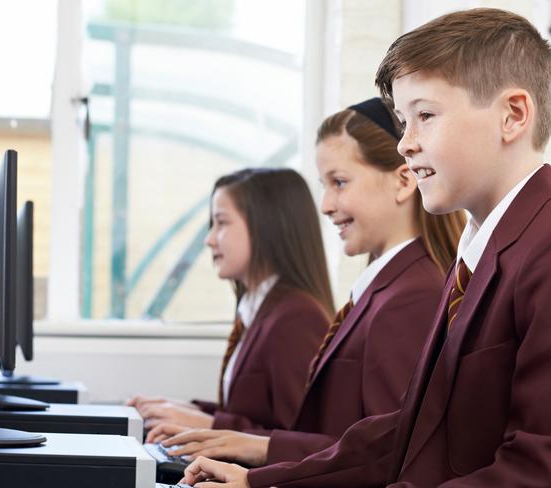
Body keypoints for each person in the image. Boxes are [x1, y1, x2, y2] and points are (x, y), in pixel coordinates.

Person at [180, 8, 551, 487]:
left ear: (513, 115)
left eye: (425, 116)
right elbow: (408, 435)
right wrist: (261, 481)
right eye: (403, 120)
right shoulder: (477, 257)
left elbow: (537, 469)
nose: (405, 144)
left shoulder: (542, 250)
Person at [148, 99, 465, 467]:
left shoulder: (412, 296)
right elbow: (347, 435)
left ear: (403, 181)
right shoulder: (385, 290)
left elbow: (391, 454)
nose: (326, 205)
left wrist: (257, 453)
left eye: (340, 182)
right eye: (324, 185)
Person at [130, 168, 334, 435]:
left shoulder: (297, 317)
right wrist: (185, 411)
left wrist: (208, 425)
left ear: (266, 226)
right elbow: (251, 416)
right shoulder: (257, 307)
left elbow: (300, 442)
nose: (209, 239)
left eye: (221, 223)